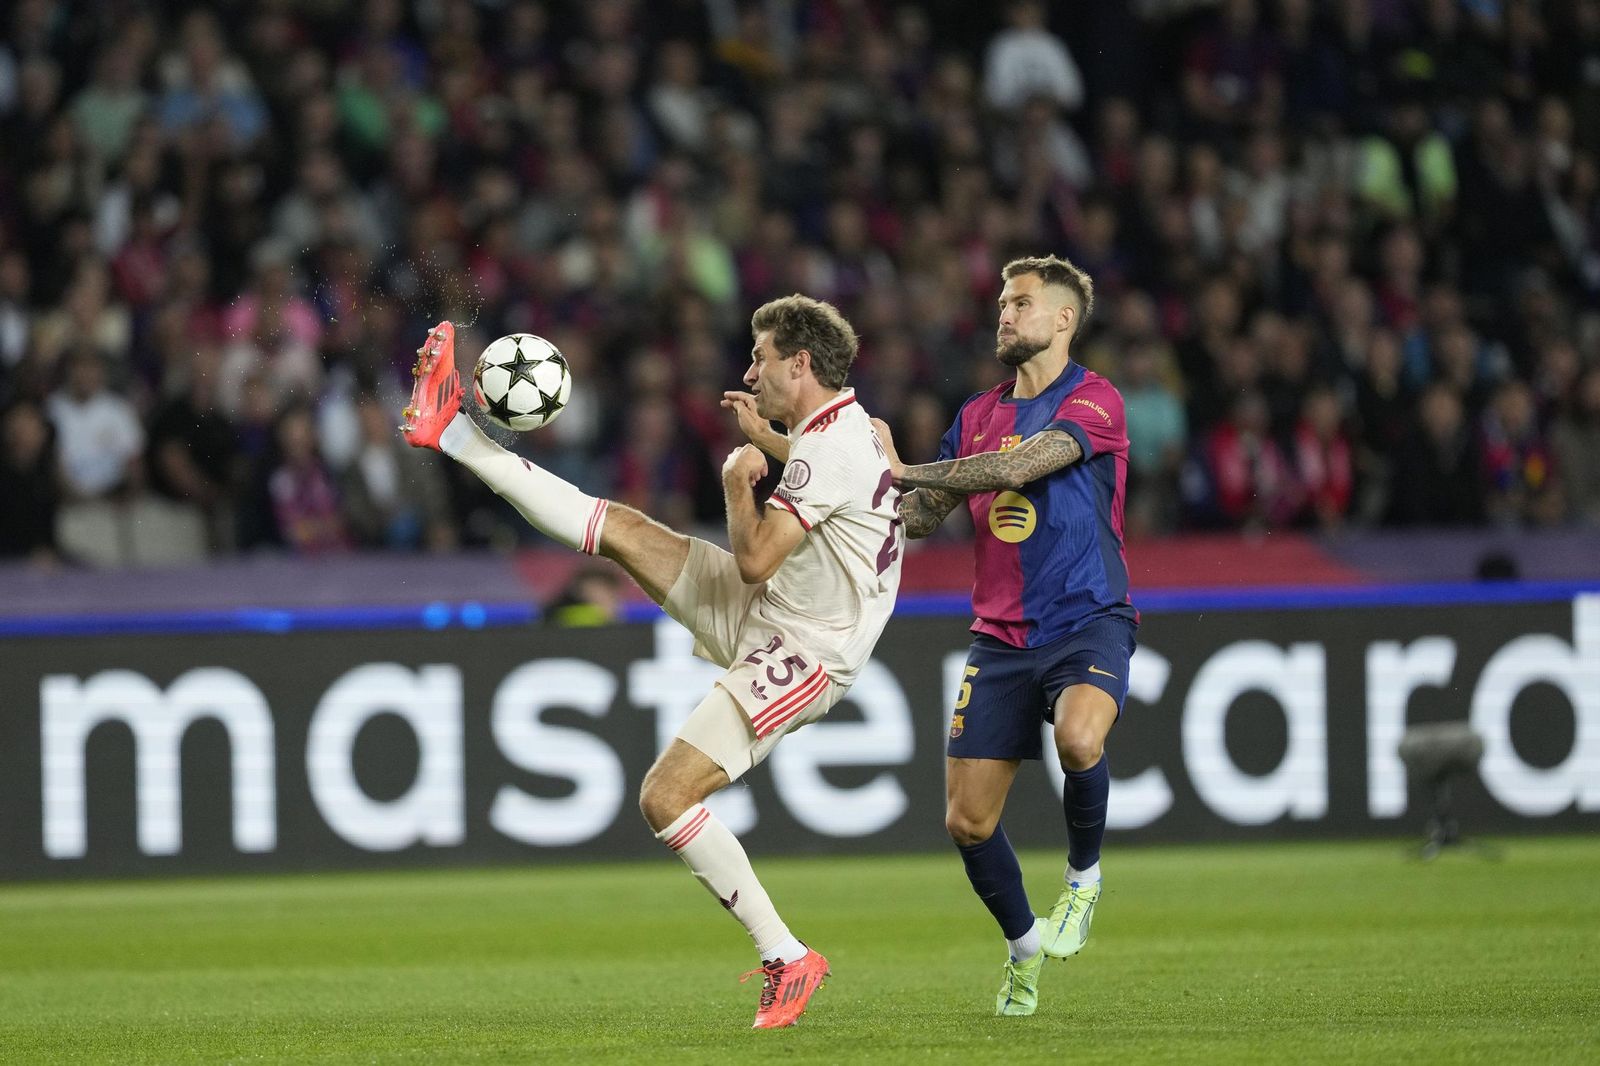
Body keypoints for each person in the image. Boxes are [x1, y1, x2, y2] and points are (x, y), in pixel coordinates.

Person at [401, 296, 903, 1029]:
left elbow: (758, 557)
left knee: (665, 798)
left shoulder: (832, 450)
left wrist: (740, 478)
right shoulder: (844, 432)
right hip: (781, 611)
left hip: (807, 649)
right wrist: (775, 442)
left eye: (760, 358)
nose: (748, 370)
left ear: (800, 364)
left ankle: (786, 956)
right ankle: (450, 432)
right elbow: (844, 481)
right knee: (627, 531)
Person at [874, 255, 1137, 1016]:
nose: (1005, 314)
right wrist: (849, 479)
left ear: (1064, 319)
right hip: (999, 639)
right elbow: (922, 516)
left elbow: (1024, 465)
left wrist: (906, 468)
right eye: (1001, 303)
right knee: (966, 821)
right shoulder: (977, 412)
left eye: (1021, 303)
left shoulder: (1095, 401)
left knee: (1081, 741)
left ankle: (1082, 884)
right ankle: (1024, 948)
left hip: (1088, 619)